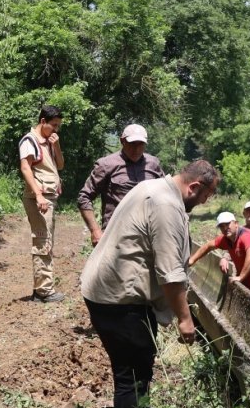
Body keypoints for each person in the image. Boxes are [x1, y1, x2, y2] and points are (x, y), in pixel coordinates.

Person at [80, 159, 220, 408]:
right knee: (132, 375)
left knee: (133, 369)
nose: (206, 201)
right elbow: (170, 273)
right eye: (206, 195)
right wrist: (185, 319)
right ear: (194, 186)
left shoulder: (152, 186)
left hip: (105, 291)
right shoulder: (166, 205)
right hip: (120, 301)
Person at [77, 124, 165, 245]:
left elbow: (166, 195)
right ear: (122, 141)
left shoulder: (153, 164)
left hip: (148, 234)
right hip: (116, 235)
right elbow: (84, 197)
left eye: (141, 144)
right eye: (133, 144)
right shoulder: (106, 164)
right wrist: (95, 230)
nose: (137, 149)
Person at [19, 105, 66, 303]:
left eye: (58, 126)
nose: (56, 129)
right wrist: (38, 195)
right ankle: (43, 291)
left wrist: (56, 146)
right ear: (43, 121)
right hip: (40, 199)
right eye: (53, 125)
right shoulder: (29, 141)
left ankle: (43, 288)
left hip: (48, 198)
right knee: (42, 241)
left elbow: (60, 165)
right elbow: (26, 168)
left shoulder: (48, 142)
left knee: (45, 241)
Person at [188, 211, 250, 303]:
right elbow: (208, 246)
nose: (225, 228)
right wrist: (192, 260)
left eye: (227, 224)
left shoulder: (246, 236)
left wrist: (240, 277)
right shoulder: (226, 239)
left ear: (236, 224)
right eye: (221, 226)